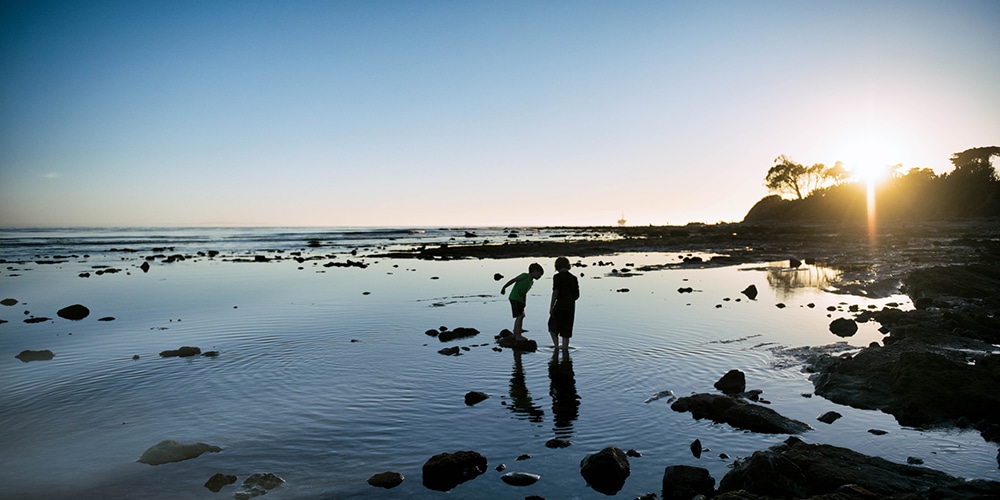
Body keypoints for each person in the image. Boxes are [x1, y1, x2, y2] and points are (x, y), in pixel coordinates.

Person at [500, 262, 544, 341]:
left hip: (520, 299)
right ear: (534, 271)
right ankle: (518, 336)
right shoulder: (525, 276)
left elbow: (524, 292)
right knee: (520, 316)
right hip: (515, 298)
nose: (540, 276)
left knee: (520, 316)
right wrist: (504, 287)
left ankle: (515, 334)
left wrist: (524, 302)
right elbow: (513, 280)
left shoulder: (531, 281)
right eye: (539, 274)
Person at [548, 256, 579, 349]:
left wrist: (551, 306)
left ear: (557, 266)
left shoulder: (557, 277)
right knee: (566, 331)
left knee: (552, 326)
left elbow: (555, 292)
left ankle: (556, 346)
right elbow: (577, 295)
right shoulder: (574, 278)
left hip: (559, 306)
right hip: (570, 307)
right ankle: (565, 348)